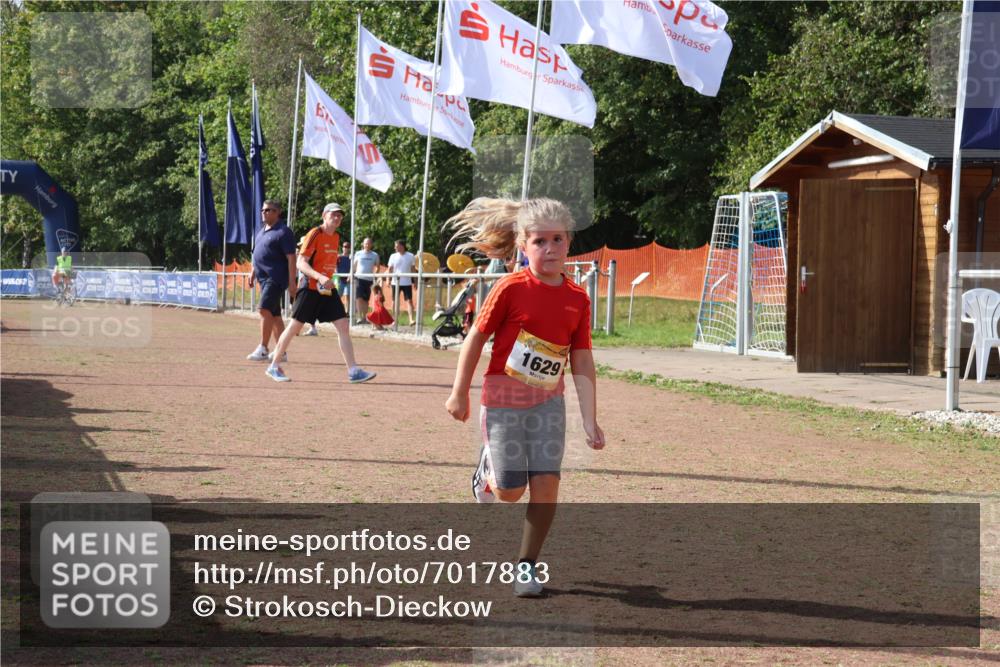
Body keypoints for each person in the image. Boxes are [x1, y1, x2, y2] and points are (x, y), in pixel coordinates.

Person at [444, 197, 605, 598]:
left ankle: (526, 567)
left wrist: (589, 418)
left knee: (547, 485)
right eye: (539, 241)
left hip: (549, 403)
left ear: (569, 242)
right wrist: (459, 392)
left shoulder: (578, 298)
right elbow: (476, 338)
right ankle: (488, 472)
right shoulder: (510, 287)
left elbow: (581, 359)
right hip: (502, 402)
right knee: (510, 492)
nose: (549, 249)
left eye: (557, 240)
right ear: (522, 245)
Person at [264, 202, 376, 384]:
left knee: (343, 325)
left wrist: (326, 280)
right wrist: (320, 277)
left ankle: (353, 370)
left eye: (340, 215)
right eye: (334, 214)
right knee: (295, 327)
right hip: (310, 287)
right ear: (324, 215)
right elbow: (301, 262)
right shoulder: (315, 233)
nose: (337, 217)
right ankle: (274, 366)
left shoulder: (337, 237)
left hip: (326, 289)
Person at [247, 200, 296, 362]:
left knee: (263, 309)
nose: (264, 212)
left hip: (275, 278)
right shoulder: (261, 231)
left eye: (269, 210)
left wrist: (292, 282)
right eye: (263, 210)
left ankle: (263, 347)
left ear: (277, 212)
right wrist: (252, 272)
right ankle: (281, 352)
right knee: (275, 316)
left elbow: (291, 258)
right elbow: (257, 254)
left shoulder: (284, 232)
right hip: (263, 278)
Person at [386, 239, 416, 326]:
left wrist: (415, 281)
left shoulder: (410, 256)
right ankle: (395, 319)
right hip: (395, 282)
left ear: (402, 246)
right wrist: (388, 279)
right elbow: (390, 269)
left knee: (409, 301)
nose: (395, 247)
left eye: (396, 245)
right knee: (395, 301)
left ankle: (411, 319)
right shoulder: (393, 256)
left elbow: (413, 270)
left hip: (407, 282)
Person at [352, 237, 380, 325]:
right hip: (359, 278)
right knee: (358, 298)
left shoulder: (375, 255)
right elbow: (354, 266)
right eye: (365, 243)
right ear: (363, 244)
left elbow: (378, 267)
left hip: (369, 279)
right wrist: (351, 275)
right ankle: (360, 317)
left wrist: (375, 276)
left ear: (371, 245)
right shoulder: (358, 253)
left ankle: (364, 317)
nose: (367, 245)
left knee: (366, 299)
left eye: (368, 243)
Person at [336, 241, 351, 307]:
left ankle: (347, 312)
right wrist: (337, 275)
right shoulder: (338, 257)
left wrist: (349, 277)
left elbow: (354, 267)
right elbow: (334, 266)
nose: (346, 248)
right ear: (342, 248)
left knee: (347, 296)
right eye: (344, 246)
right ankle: (338, 309)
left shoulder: (351, 258)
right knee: (337, 296)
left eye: (347, 247)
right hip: (339, 279)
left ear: (350, 248)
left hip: (348, 279)